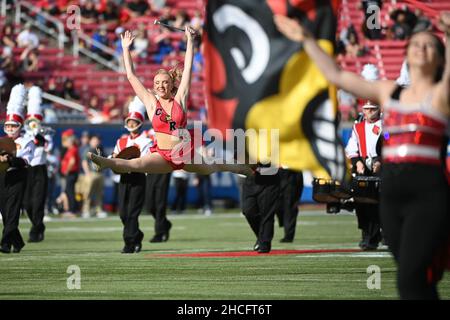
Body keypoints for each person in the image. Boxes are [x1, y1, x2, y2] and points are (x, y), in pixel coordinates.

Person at [274, 13, 450, 299]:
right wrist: (306, 38)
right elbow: (336, 76)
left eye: (429, 45)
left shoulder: (442, 94)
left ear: (440, 58)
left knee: (410, 278)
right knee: (414, 278)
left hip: (427, 192)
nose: (421, 48)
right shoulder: (388, 92)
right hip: (391, 195)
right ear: (406, 53)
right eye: (416, 43)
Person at [87, 27, 254, 177]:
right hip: (163, 155)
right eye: (157, 83)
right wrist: (125, 48)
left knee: (215, 165)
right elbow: (131, 76)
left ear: (171, 84)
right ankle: (104, 162)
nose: (161, 86)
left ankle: (245, 170)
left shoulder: (180, 99)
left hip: (184, 154)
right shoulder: (152, 103)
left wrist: (190, 40)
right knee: (135, 164)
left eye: (165, 82)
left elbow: (188, 68)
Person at [113, 96, 152, 253]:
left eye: (134, 121)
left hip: (138, 177)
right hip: (124, 178)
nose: (131, 124)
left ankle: (129, 243)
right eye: (129, 121)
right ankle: (137, 235)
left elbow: (145, 161)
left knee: (132, 213)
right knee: (123, 213)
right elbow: (114, 157)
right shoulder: (121, 141)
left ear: (140, 122)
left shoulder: (146, 141)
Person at [0, 84, 35, 253]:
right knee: (5, 212)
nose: (10, 129)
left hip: (17, 176)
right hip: (2, 177)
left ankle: (5, 243)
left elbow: (26, 160)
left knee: (13, 211)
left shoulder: (26, 141)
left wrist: (11, 159)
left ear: (20, 126)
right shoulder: (1, 141)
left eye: (13, 126)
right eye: (8, 126)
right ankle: (18, 242)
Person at [22, 86, 50, 242]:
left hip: (40, 168)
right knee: (27, 203)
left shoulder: (46, 133)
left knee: (38, 201)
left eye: (36, 121)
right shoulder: (24, 134)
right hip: (27, 169)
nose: (33, 124)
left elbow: (50, 147)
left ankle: (36, 231)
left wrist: (42, 139)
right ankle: (37, 225)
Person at [242, 166, 280, 254]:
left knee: (267, 213)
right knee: (248, 211)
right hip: (250, 180)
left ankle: (265, 244)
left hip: (269, 180)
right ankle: (261, 237)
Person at [145, 129, 172, 243]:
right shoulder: (146, 134)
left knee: (160, 201)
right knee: (149, 204)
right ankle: (165, 223)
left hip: (164, 167)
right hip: (150, 169)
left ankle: (160, 233)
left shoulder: (167, 130)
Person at [276, 167, 303, 243]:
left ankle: (288, 235)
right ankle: (285, 222)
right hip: (277, 173)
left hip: (292, 173)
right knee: (277, 204)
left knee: (290, 206)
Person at [60, 129, 80, 215]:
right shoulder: (70, 149)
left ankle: (72, 210)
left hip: (71, 173)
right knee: (69, 191)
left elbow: (72, 161)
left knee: (70, 192)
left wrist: (67, 171)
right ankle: (72, 209)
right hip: (71, 173)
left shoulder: (72, 149)